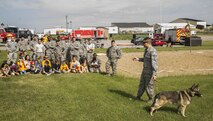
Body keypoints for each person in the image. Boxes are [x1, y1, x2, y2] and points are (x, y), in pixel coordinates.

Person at [133, 37, 158, 103]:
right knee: (142, 84)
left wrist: (155, 74)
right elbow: (145, 59)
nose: (143, 44)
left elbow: (154, 63)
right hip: (144, 71)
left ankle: (151, 98)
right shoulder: (147, 50)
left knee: (149, 86)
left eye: (144, 43)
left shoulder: (153, 51)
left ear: (147, 43)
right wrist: (138, 59)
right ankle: (138, 96)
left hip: (150, 72)